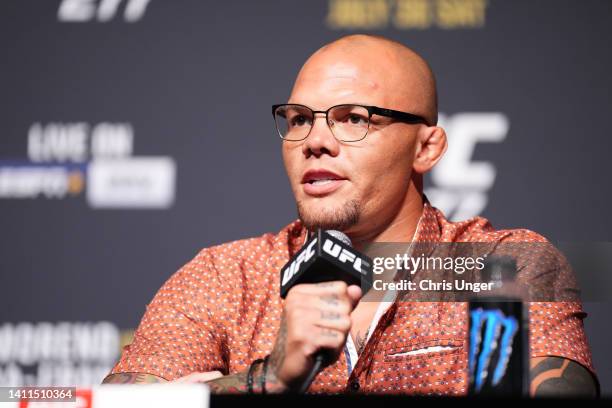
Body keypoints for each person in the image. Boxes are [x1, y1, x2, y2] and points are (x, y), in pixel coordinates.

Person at [103, 34, 598, 396]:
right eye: (299, 119)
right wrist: (270, 380)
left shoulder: (501, 266)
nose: (315, 141)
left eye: (354, 119)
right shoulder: (224, 277)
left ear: (426, 148)